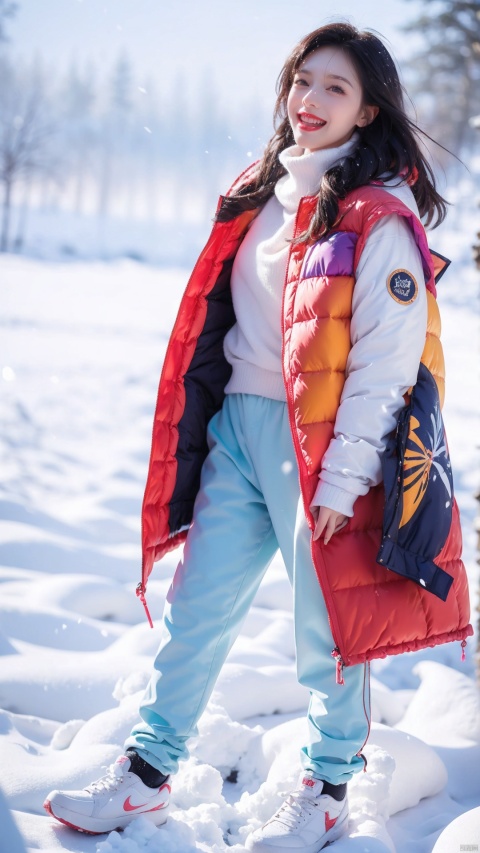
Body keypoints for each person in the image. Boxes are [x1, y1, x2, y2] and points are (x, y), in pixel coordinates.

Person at [44, 22, 472, 852]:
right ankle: (144, 776)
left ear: (369, 107)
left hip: (320, 451)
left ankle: (330, 786)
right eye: (301, 81)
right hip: (239, 432)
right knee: (195, 612)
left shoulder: (377, 219)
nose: (308, 101)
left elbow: (385, 368)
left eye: (334, 88)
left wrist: (344, 481)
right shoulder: (260, 193)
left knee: (327, 628)